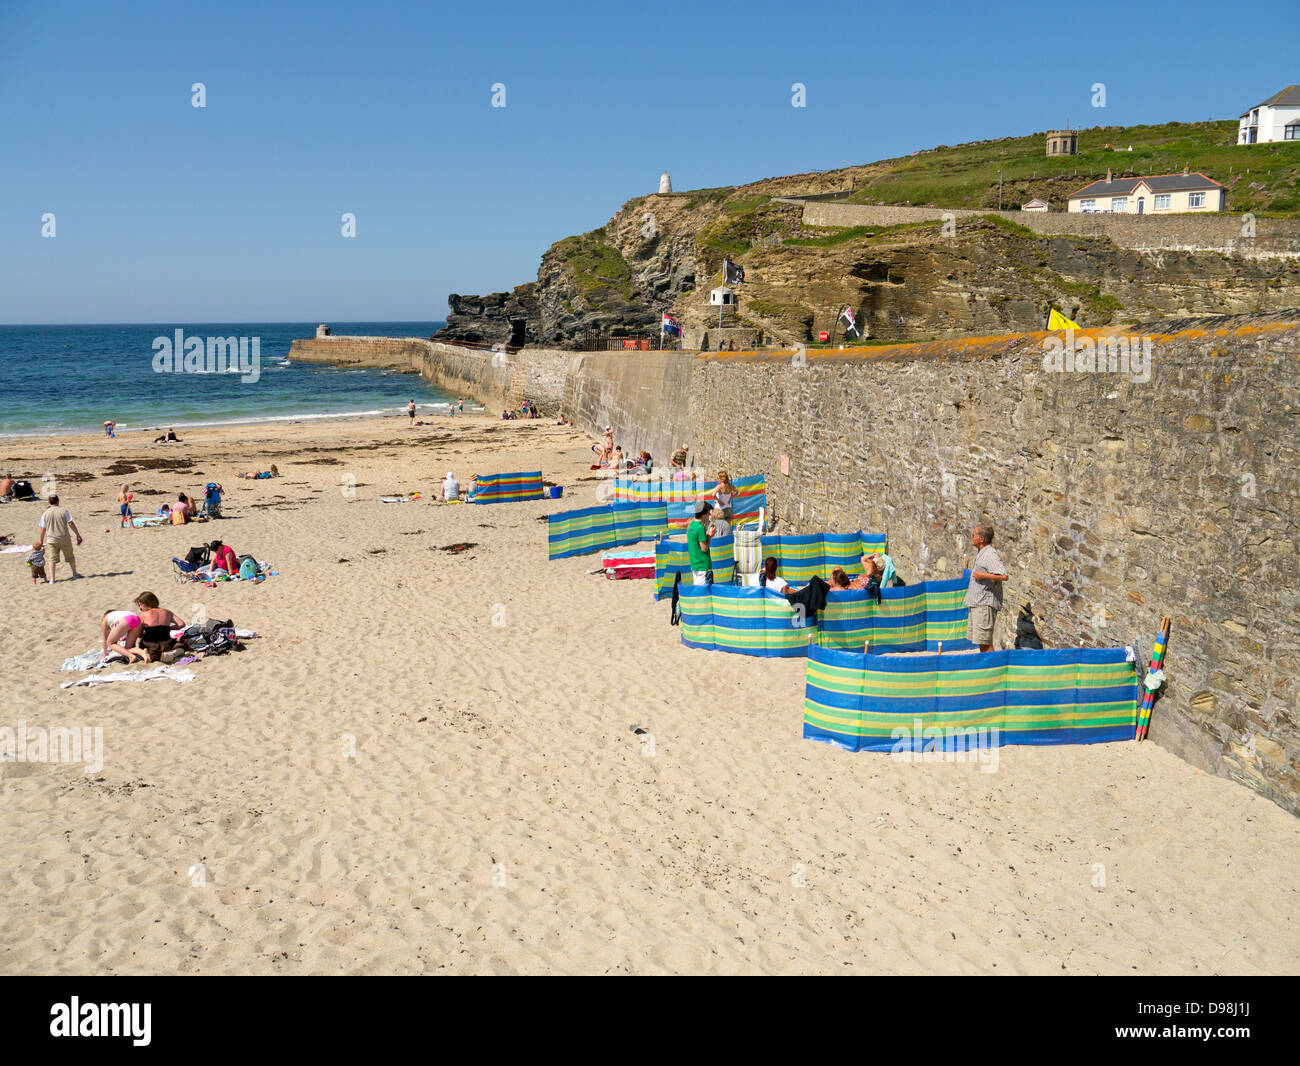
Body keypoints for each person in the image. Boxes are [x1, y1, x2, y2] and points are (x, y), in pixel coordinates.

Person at [965, 524, 1008, 653]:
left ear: (981, 539)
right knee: (981, 641)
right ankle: (987, 669)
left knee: (985, 643)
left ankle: (993, 670)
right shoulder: (982, 553)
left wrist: (982, 575)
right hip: (978, 603)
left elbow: (1004, 576)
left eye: (973, 535)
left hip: (984, 604)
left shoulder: (989, 554)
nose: (971, 538)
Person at [37, 494, 82, 582]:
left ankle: (52, 579)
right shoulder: (64, 511)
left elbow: (43, 529)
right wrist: (77, 534)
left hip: (51, 540)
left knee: (52, 559)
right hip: (64, 538)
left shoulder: (45, 513)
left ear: (49, 502)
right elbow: (71, 523)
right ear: (58, 501)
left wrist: (41, 541)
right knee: (70, 556)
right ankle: (74, 573)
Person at [135, 592, 187, 662]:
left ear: (146, 603)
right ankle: (169, 652)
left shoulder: (143, 615)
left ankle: (154, 655)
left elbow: (139, 634)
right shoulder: (167, 612)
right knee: (176, 642)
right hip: (166, 644)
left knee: (141, 643)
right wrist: (169, 628)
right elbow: (181, 624)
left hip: (150, 646)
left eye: (140, 605)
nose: (140, 608)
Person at [687, 501, 713, 585]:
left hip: (694, 562)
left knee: (698, 589)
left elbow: (691, 541)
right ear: (703, 514)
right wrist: (710, 536)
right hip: (702, 564)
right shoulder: (700, 527)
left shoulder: (691, 524)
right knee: (702, 592)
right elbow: (704, 548)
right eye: (709, 513)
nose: (709, 516)